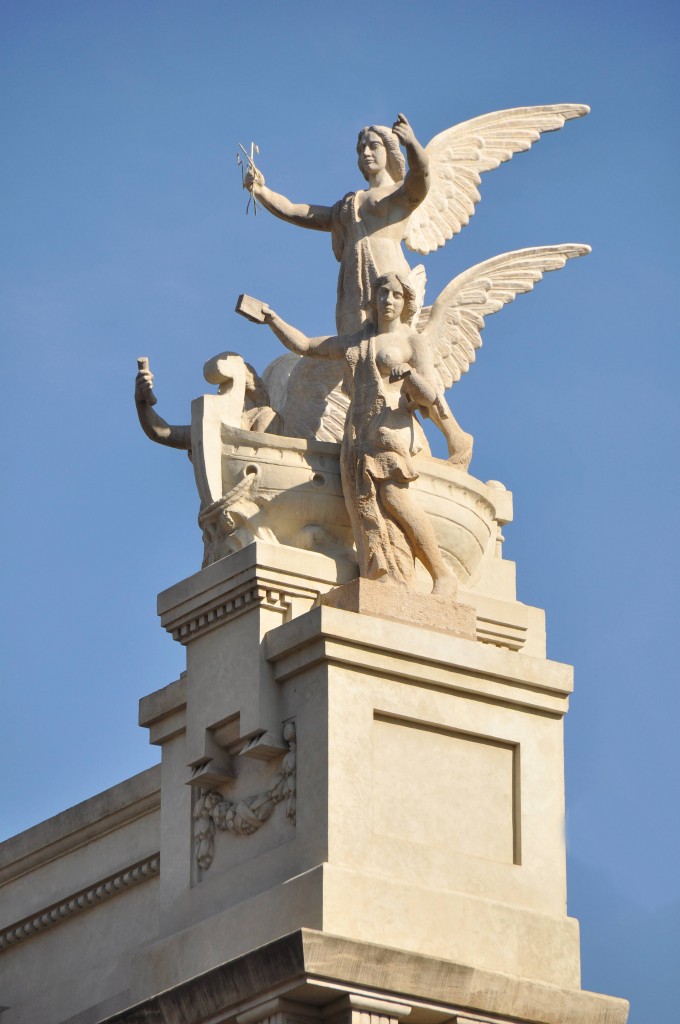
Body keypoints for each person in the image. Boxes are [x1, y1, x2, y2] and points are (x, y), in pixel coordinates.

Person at [257, 272, 456, 596]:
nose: (388, 300)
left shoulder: (412, 341)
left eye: (395, 295)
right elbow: (306, 345)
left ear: (406, 302)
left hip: (391, 426)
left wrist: (409, 375)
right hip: (358, 430)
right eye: (382, 293)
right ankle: (382, 573)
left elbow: (430, 395)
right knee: (365, 504)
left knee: (393, 497)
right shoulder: (357, 341)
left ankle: (441, 573)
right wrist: (272, 319)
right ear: (373, 299)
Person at [244, 114, 429, 334]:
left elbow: (421, 174)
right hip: (352, 278)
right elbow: (296, 211)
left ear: (389, 149)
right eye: (361, 149)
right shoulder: (348, 203)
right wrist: (262, 191)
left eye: (373, 146)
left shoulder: (400, 193)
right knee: (352, 341)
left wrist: (412, 144)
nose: (366, 152)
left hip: (386, 268)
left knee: (388, 336)